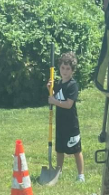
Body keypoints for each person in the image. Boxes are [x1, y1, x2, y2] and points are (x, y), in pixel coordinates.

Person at [48, 51, 85, 182]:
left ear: (72, 70)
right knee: (60, 149)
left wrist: (54, 101)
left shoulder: (72, 85)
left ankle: (81, 175)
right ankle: (59, 171)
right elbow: (55, 96)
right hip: (60, 122)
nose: (64, 71)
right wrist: (50, 89)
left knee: (76, 149)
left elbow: (68, 104)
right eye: (63, 68)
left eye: (68, 69)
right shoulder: (59, 84)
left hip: (71, 123)